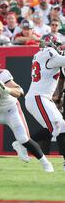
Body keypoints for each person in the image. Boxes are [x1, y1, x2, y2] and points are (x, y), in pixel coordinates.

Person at [25, 34, 65, 171]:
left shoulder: (41, 55)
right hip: (38, 97)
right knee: (55, 128)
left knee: (61, 126)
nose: (60, 48)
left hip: (42, 97)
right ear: (52, 45)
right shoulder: (49, 54)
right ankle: (23, 143)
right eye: (58, 45)